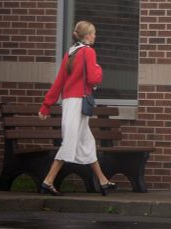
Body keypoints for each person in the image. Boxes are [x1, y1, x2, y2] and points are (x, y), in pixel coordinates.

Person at [37, 21, 116, 196]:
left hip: (69, 102)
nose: (95, 36)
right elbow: (94, 80)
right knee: (70, 143)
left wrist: (46, 105)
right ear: (87, 36)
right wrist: (99, 69)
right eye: (93, 33)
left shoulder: (70, 53)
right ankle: (48, 181)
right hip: (79, 102)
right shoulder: (88, 51)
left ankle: (103, 181)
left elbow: (58, 82)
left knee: (87, 142)